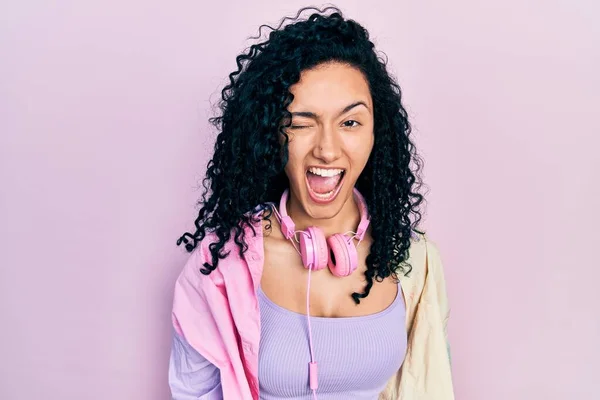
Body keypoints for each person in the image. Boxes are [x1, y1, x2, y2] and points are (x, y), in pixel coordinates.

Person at [169, 6, 453, 400]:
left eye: (350, 122)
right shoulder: (220, 266)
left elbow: (430, 386)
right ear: (270, 134)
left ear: (377, 132)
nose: (327, 149)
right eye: (301, 123)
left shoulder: (415, 261)